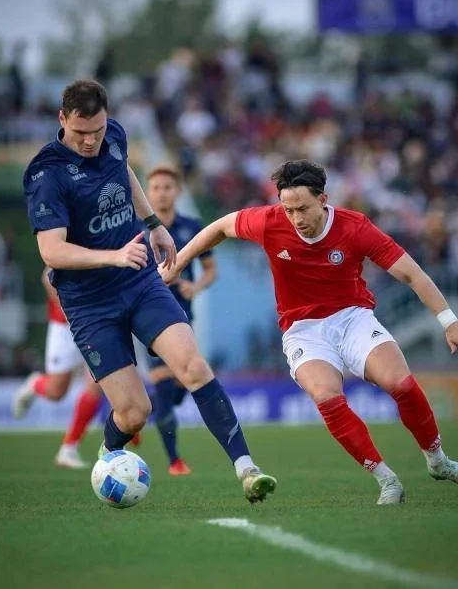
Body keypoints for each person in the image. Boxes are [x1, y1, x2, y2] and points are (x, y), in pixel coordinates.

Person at [162, 159, 458, 505]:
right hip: (302, 330)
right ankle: (386, 479)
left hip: (353, 318)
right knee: (326, 396)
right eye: (288, 210)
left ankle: (438, 461)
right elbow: (220, 227)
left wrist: (449, 321)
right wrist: (177, 263)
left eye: (303, 208)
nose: (296, 218)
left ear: (323, 199)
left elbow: (412, 273)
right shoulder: (270, 221)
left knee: (401, 384)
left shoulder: (355, 227)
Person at [22, 79, 276, 503]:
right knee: (135, 413)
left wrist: (153, 224)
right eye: (81, 132)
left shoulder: (114, 136)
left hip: (138, 281)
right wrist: (113, 256)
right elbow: (52, 251)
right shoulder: (46, 174)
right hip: (89, 304)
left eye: (98, 130)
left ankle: (247, 469)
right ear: (62, 119)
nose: (91, 141)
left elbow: (123, 172)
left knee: (193, 367)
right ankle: (108, 453)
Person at [142, 165, 218, 476]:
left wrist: (195, 287)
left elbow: (211, 270)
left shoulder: (192, 227)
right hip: (149, 318)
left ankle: (136, 410)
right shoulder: (137, 229)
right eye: (155, 188)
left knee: (180, 390)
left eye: (167, 187)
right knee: (165, 392)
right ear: (147, 193)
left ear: (178, 192)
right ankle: (174, 461)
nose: (161, 193)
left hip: (183, 318)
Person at [11, 266, 106, 468]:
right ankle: (35, 384)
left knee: (97, 383)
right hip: (64, 326)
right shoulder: (74, 244)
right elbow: (47, 277)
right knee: (56, 391)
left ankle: (69, 449)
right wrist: (70, 310)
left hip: (97, 321)